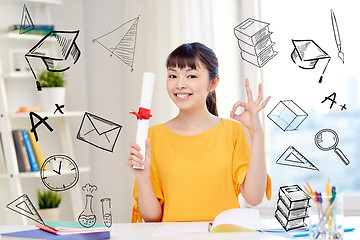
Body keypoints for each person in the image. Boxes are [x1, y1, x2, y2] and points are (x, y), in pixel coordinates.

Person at [127, 42, 271, 223]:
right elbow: (152, 218)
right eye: (173, 75)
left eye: (191, 76)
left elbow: (254, 197)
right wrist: (143, 178)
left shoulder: (232, 132)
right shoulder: (152, 137)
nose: (179, 84)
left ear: (213, 83)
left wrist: (257, 133)